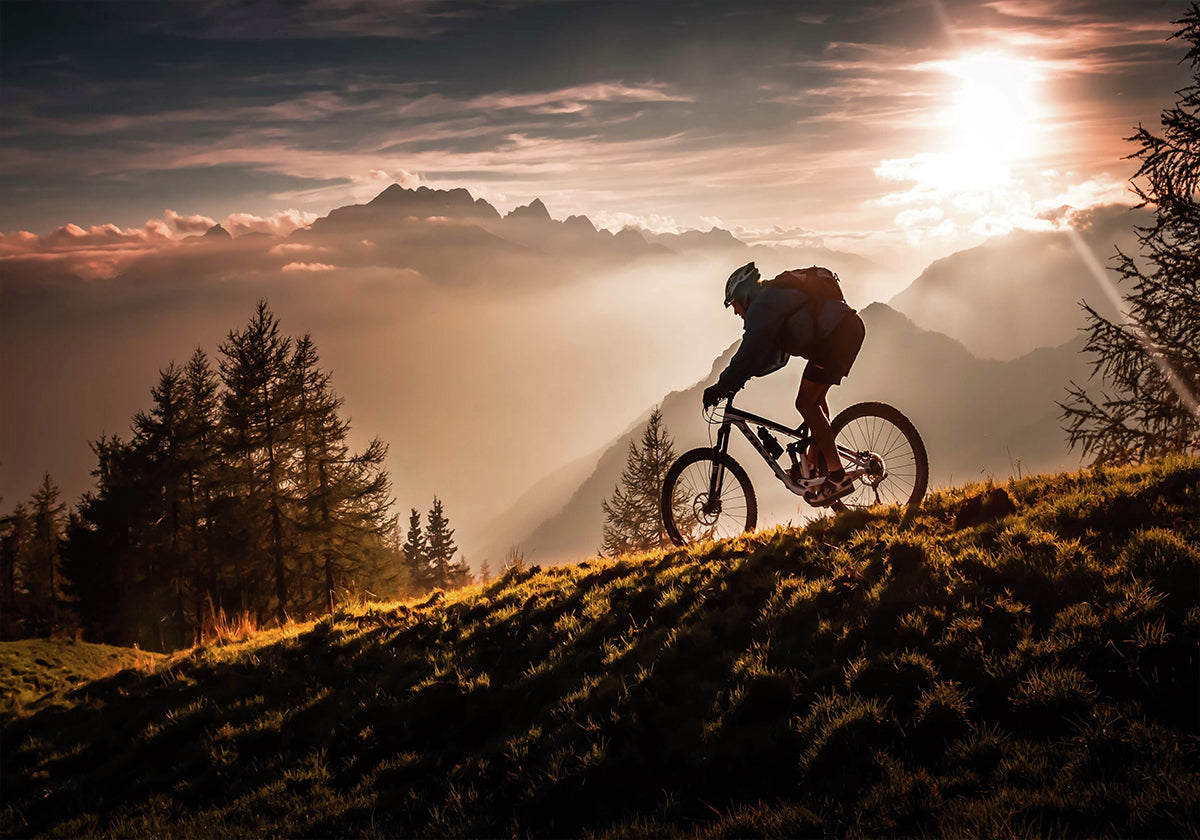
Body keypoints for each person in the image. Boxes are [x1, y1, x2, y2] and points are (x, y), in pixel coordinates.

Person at [702, 262, 866, 505]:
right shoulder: (770, 302)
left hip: (838, 336)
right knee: (816, 400)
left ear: (743, 294)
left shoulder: (762, 306)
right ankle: (815, 462)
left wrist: (721, 387)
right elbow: (764, 357)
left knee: (805, 403)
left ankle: (837, 476)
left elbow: (748, 351)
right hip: (843, 332)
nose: (736, 311)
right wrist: (738, 379)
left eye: (734, 304)